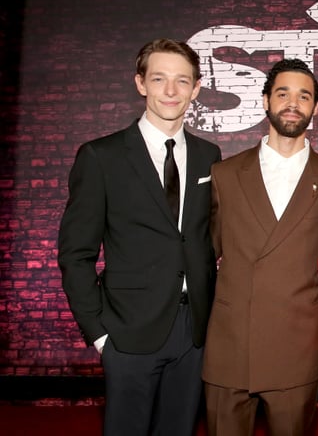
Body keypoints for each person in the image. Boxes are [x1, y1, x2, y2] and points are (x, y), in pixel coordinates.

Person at [57, 39, 222, 436]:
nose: (170, 91)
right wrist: (99, 335)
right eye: (159, 78)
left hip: (193, 331)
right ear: (140, 83)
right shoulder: (101, 156)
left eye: (182, 81)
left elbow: (203, 238)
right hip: (127, 331)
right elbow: (75, 254)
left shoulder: (208, 155)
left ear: (196, 88)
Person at [201, 58, 318, 436]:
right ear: (265, 101)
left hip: (293, 348)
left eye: (304, 96)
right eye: (283, 94)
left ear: (316, 108)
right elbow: (201, 257)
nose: (292, 103)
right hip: (229, 345)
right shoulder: (225, 174)